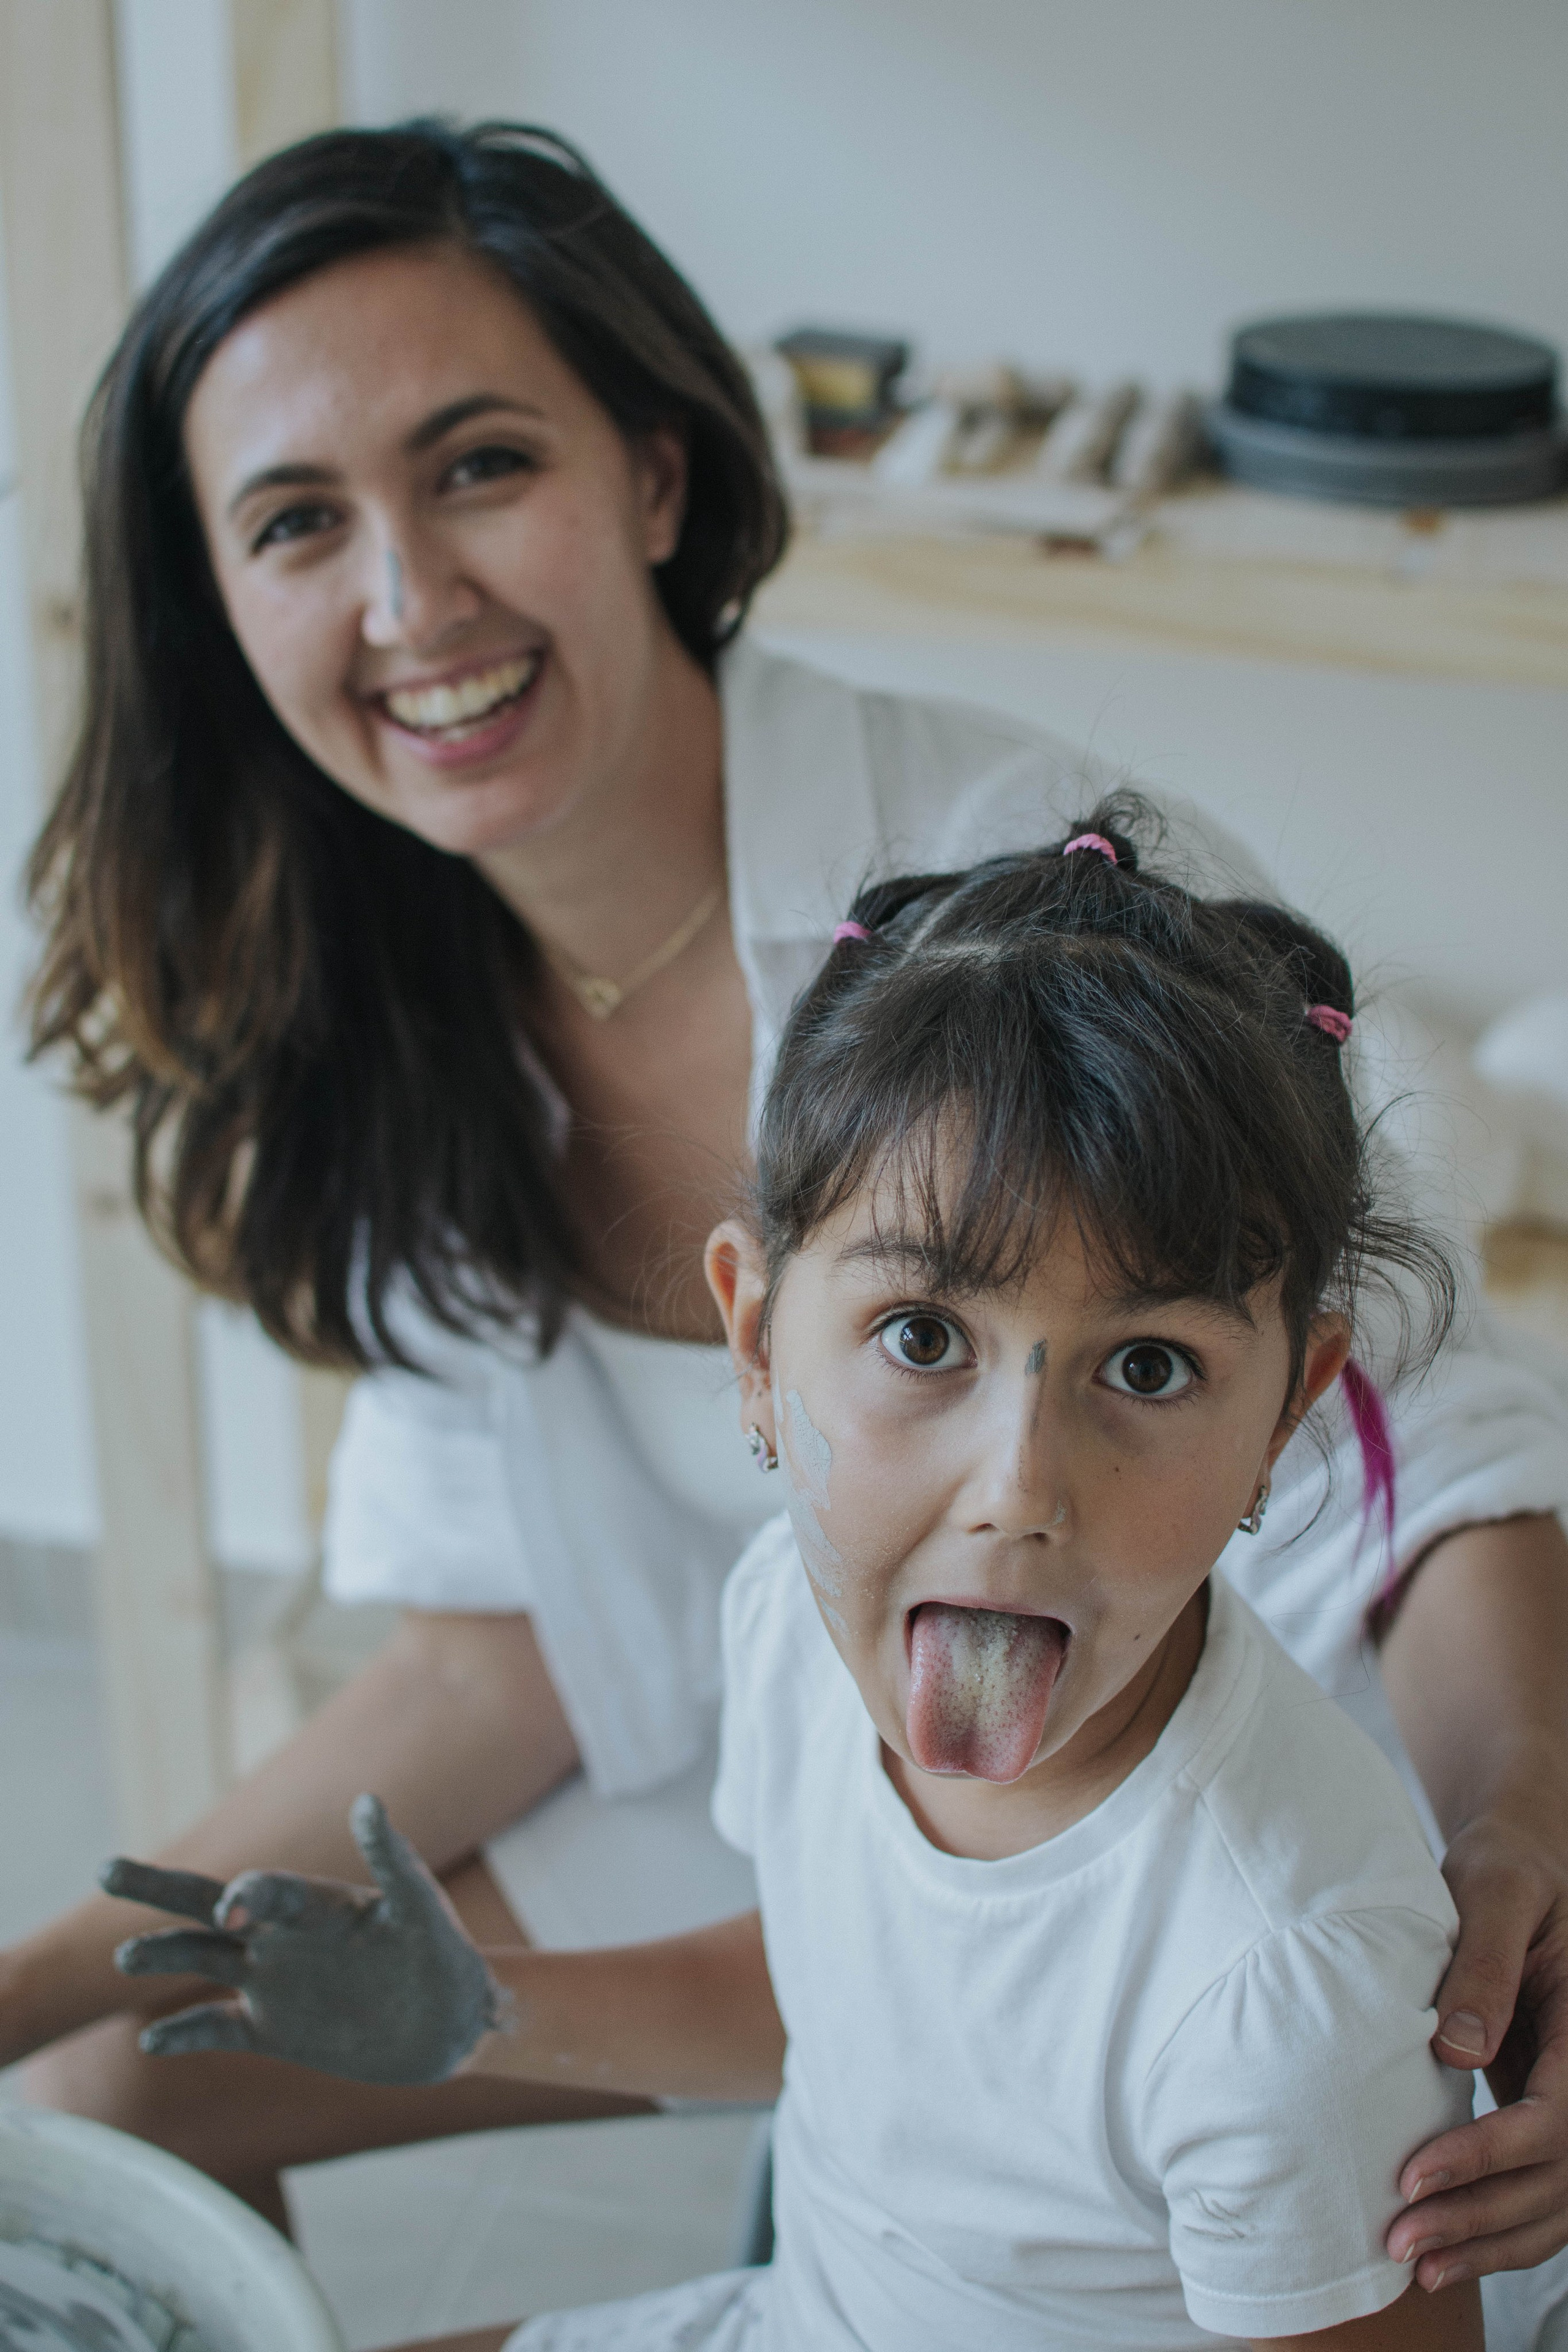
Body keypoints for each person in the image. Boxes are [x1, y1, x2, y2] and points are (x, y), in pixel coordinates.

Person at [12, 119, 1568, 2311]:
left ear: (654, 476)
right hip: (825, 1720)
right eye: (294, 522)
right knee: (108, 2087)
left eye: (479, 467)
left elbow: (1442, 1456)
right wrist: (21, 1984)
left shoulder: (1021, 907)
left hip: (1192, 1753)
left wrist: (1512, 1862)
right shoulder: (389, 1005)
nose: (411, 601)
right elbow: (503, 1660)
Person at [110, 806, 1493, 2350]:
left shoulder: (1275, 1984)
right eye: (921, 1338)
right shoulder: (789, 1626)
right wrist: (481, 2010)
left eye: (1149, 1366)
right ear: (758, 1345)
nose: (1018, 1487)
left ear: (1285, 1417)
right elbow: (826, 2007)